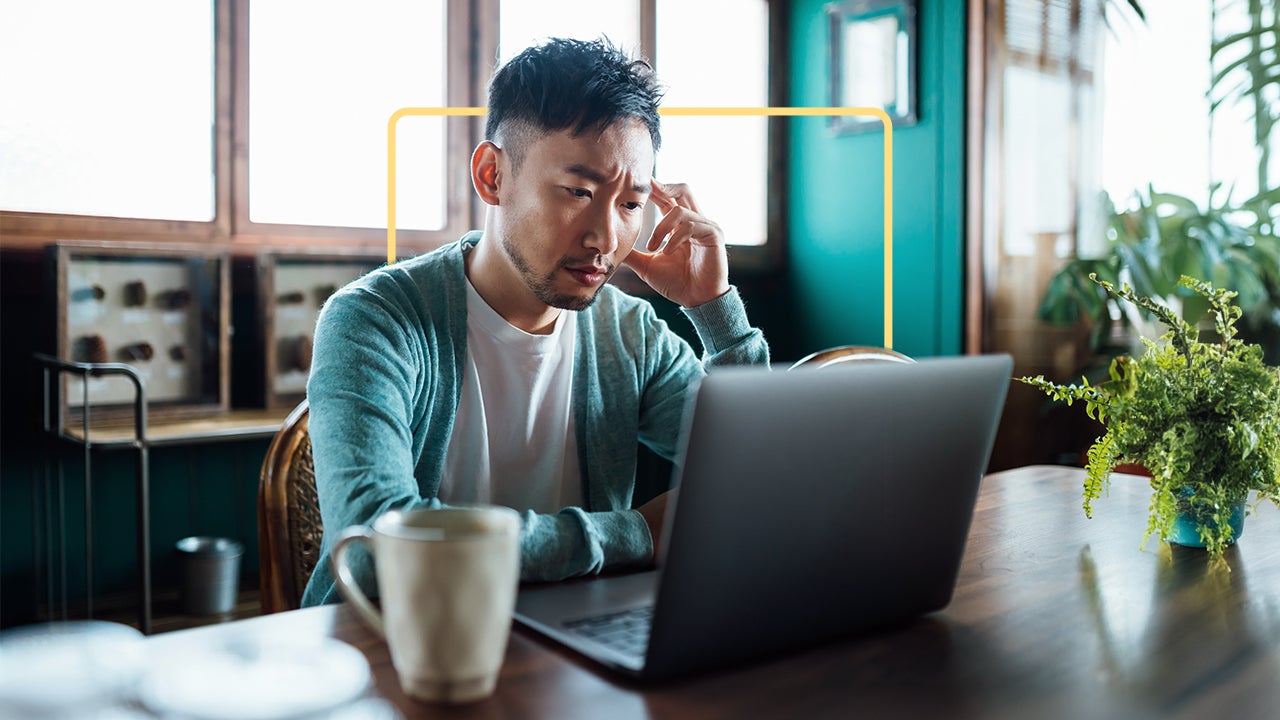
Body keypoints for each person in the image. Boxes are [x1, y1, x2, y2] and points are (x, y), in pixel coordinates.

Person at [301, 37, 769, 606]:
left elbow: (761, 479)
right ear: (492, 175)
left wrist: (713, 309)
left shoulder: (631, 333)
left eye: (629, 205)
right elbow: (377, 550)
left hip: (575, 655)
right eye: (578, 191)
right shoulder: (374, 319)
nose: (604, 239)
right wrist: (637, 533)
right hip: (393, 650)